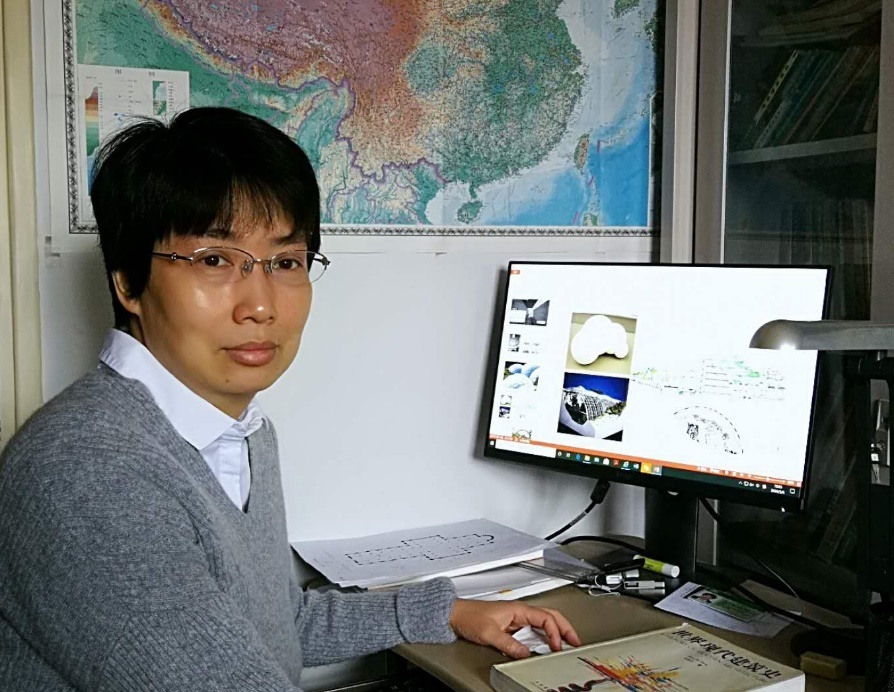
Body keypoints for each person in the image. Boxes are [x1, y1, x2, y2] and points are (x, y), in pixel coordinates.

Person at [0, 107, 580, 691]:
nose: (260, 305)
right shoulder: (85, 471)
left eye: (285, 262)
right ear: (128, 281)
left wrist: (446, 611)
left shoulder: (240, 431)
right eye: (214, 260)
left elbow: (276, 623)